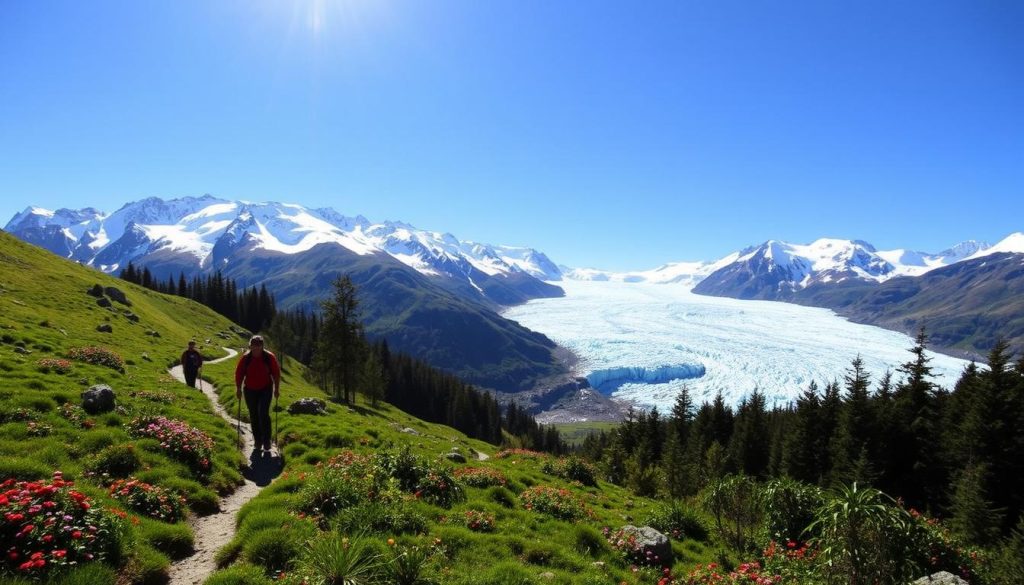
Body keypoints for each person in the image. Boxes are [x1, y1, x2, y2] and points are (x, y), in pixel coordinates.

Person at [234, 335, 281, 452]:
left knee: (263, 414)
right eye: (253, 346)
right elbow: (239, 374)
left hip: (266, 388)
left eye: (258, 346)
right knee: (254, 415)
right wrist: (238, 388)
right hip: (250, 390)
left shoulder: (269, 357)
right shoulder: (246, 358)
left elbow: (276, 373)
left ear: (262, 346)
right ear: (250, 346)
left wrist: (276, 389)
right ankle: (257, 441)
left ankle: (267, 441)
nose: (255, 349)